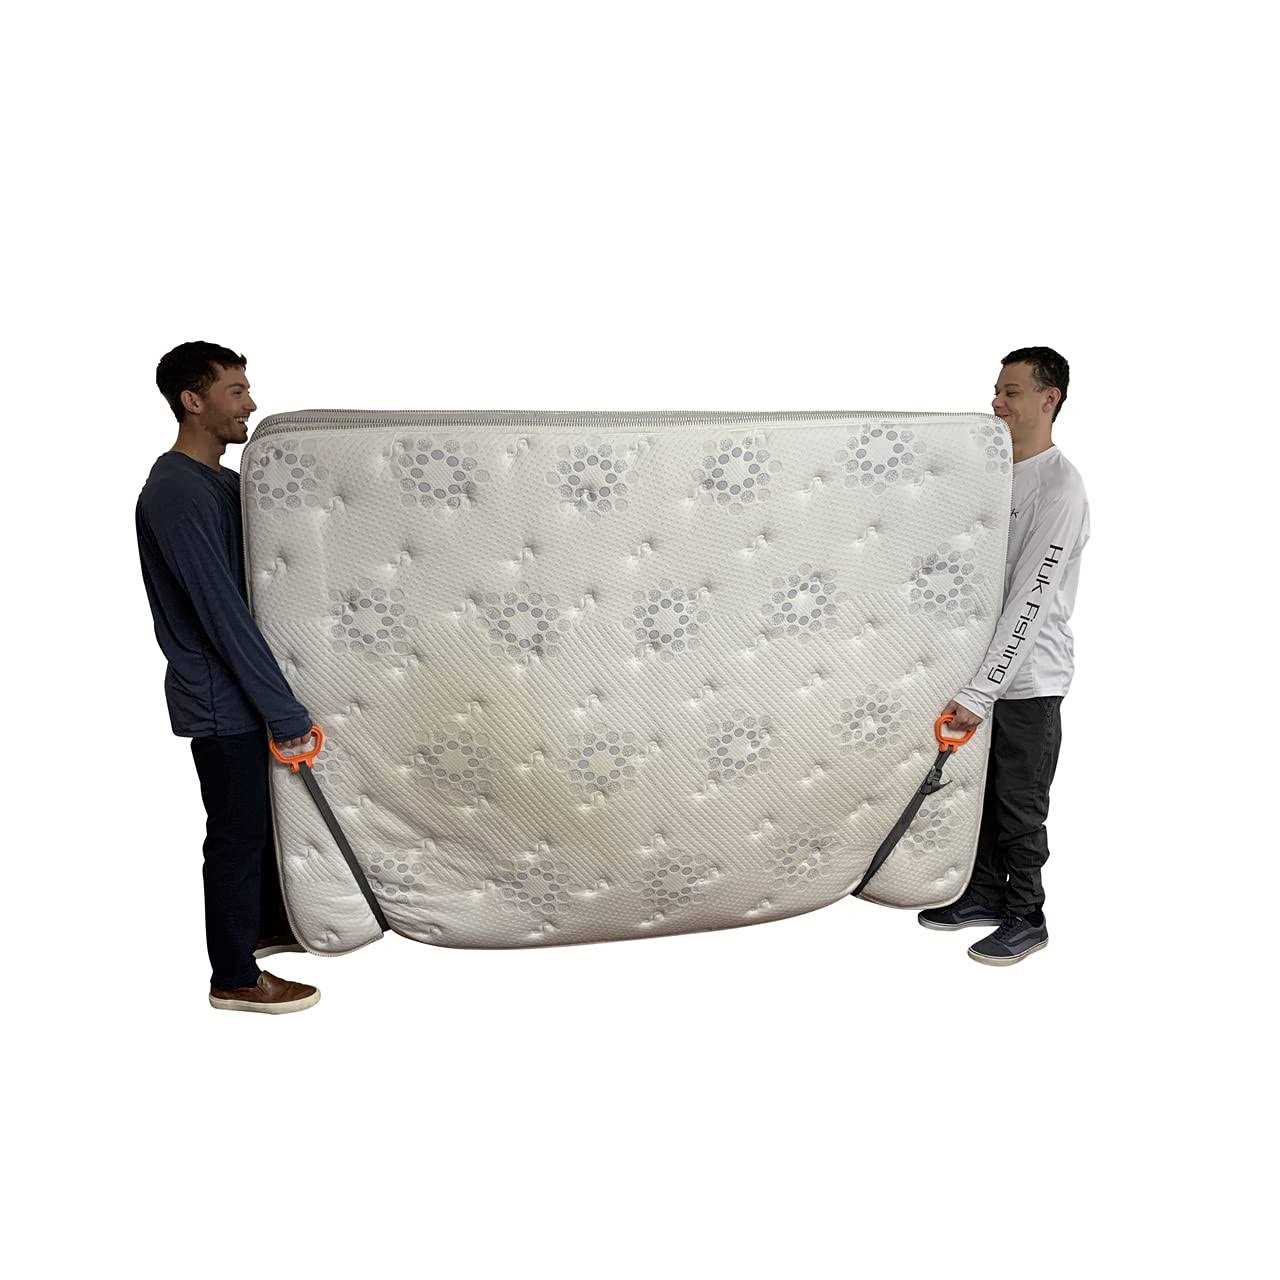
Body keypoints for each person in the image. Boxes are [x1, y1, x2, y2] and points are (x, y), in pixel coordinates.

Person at [136, 341, 321, 1013]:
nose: (251, 403)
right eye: (236, 391)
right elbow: (223, 614)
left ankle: (261, 931)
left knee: (259, 827)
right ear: (194, 400)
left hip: (247, 693)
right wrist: (284, 710)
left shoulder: (222, 483)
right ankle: (235, 976)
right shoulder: (176, 491)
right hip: (222, 699)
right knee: (236, 835)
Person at [919, 346, 1090, 965]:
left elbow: (1029, 601)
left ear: (1049, 398)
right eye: (996, 390)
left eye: (1011, 392)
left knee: (1020, 803)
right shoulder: (995, 475)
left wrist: (979, 691)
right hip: (984, 673)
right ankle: (986, 895)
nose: (997, 402)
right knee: (985, 794)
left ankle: (1028, 916)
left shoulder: (1060, 489)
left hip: (1028, 680)